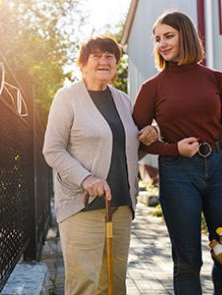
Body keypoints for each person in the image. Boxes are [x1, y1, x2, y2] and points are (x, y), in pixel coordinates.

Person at [132, 11, 222, 295]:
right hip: (178, 175)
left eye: (168, 36)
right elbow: (136, 140)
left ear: (185, 35)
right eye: (157, 39)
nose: (161, 43)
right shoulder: (151, 88)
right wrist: (171, 148)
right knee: (187, 260)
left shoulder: (217, 80)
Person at [43, 35, 157, 294]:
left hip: (121, 206)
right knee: (85, 285)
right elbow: (53, 149)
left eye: (110, 56)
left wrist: (148, 137)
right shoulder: (67, 98)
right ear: (83, 64)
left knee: (114, 284)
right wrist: (86, 179)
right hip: (83, 205)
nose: (104, 61)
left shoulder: (123, 100)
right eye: (97, 56)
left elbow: (125, 151)